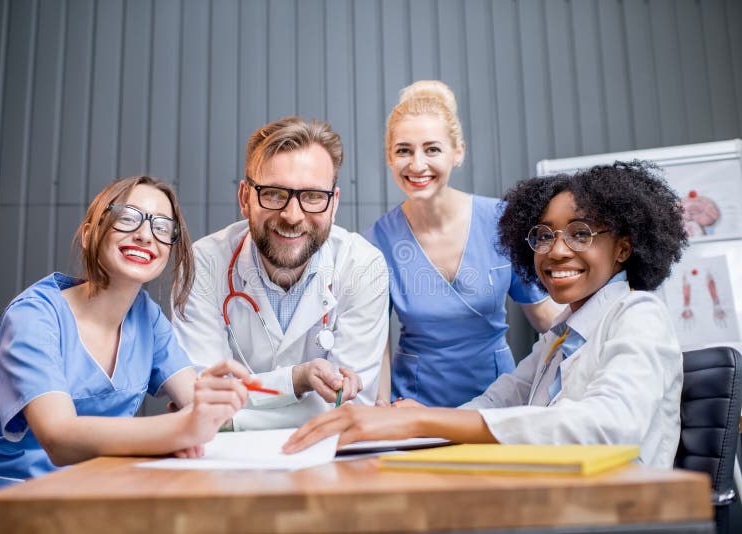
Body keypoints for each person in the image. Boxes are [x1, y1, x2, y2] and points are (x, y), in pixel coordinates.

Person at [284, 161, 688, 468]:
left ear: (622, 248)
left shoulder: (639, 316)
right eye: (544, 236)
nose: (557, 250)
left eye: (581, 233)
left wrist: (422, 425)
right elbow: (499, 400)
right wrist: (414, 416)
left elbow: (603, 428)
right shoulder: (560, 337)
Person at [0, 176, 254, 533]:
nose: (145, 234)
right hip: (7, 512)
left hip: (89, 504)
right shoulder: (34, 316)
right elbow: (58, 437)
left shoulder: (146, 317)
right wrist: (178, 430)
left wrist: (213, 403)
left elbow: (196, 403)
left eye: (162, 226)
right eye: (127, 217)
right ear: (90, 233)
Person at [172, 116, 389, 431]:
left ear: (334, 203)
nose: (292, 215)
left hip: (330, 463)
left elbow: (350, 408)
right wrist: (296, 381)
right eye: (274, 194)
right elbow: (200, 399)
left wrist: (232, 417)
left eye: (313, 196)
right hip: (227, 465)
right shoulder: (202, 265)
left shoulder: (362, 266)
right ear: (246, 198)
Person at [364, 80, 559, 407]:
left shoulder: (502, 221)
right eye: (403, 150)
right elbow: (377, 344)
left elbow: (543, 314)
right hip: (414, 408)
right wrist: (381, 410)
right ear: (389, 157)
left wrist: (601, 337)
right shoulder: (376, 242)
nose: (417, 164)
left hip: (498, 403)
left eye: (432, 149)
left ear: (458, 152)